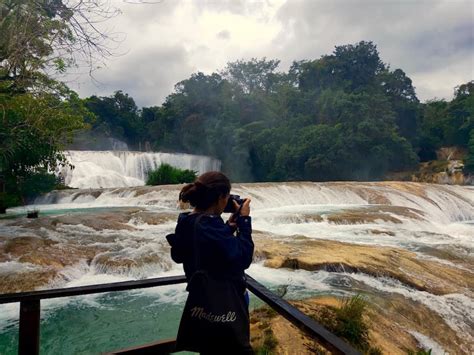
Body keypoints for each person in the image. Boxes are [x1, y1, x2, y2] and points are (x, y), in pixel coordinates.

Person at [166, 171, 254, 354]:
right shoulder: (211, 226)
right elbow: (243, 258)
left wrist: (227, 229)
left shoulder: (187, 221)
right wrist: (244, 221)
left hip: (203, 301)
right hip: (224, 303)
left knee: (209, 348)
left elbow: (182, 254)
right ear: (221, 197)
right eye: (228, 197)